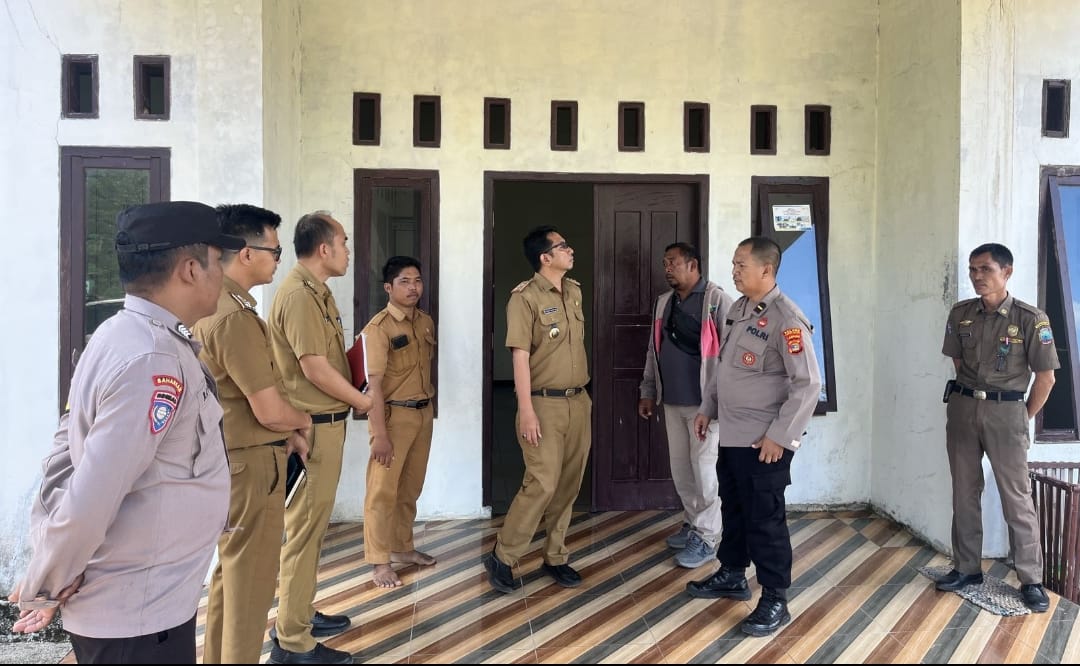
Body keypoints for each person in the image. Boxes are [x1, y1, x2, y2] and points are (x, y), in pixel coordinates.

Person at [8, 201, 245, 663]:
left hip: (146, 605)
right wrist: (48, 580)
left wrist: (52, 565)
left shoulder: (123, 335)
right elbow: (92, 491)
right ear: (190, 269)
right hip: (137, 617)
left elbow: (64, 454)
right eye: (219, 261)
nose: (223, 274)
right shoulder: (152, 359)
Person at [194, 204, 315, 664]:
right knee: (250, 587)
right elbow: (268, 409)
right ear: (246, 253)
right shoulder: (234, 317)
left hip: (235, 458)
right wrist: (302, 422)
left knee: (232, 579)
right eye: (275, 250)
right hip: (250, 465)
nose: (279, 259)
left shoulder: (220, 306)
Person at [688, 236, 821, 637]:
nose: (734, 271)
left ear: (767, 269)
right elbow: (725, 369)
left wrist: (780, 437)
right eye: (733, 264)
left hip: (764, 443)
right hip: (732, 434)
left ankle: (775, 598)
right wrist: (707, 408)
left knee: (765, 520)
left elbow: (808, 384)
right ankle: (732, 573)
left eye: (741, 265)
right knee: (735, 508)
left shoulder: (787, 318)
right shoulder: (740, 310)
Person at [267, 211, 373, 664]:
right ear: (325, 248)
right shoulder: (298, 295)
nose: (348, 251)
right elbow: (314, 368)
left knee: (312, 529)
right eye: (344, 242)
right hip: (313, 430)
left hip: (328, 424)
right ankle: (292, 642)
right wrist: (362, 399)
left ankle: (299, 614)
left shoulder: (317, 292)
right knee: (304, 532)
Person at [937, 243, 1057, 613]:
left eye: (985, 269)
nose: (977, 276)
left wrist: (1022, 416)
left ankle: (1031, 579)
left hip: (1007, 414)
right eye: (973, 269)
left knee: (1016, 497)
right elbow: (958, 361)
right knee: (964, 491)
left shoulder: (1030, 318)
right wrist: (974, 396)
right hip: (964, 408)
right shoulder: (961, 314)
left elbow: (1046, 378)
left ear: (1007, 272)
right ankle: (967, 568)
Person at [486, 226, 592, 593]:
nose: (570, 250)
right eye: (563, 246)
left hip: (578, 401)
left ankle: (555, 556)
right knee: (542, 483)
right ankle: (503, 555)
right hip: (543, 405)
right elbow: (519, 356)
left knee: (568, 484)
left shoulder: (574, 291)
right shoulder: (524, 298)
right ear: (545, 257)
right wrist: (526, 409)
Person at [638, 242, 732, 568]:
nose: (667, 268)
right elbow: (654, 350)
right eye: (665, 263)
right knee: (682, 471)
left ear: (693, 265)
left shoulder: (716, 301)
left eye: (673, 262)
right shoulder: (664, 302)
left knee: (705, 473)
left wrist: (717, 403)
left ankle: (707, 537)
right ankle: (694, 523)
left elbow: (731, 355)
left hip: (705, 407)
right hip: (671, 402)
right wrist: (648, 389)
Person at [361, 256, 438, 589]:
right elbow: (372, 386)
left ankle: (402, 548)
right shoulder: (378, 329)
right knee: (382, 491)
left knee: (410, 487)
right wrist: (379, 434)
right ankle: (380, 562)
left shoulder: (425, 322)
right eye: (404, 281)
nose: (413, 287)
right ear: (388, 288)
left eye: (417, 280)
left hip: (422, 414)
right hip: (392, 418)